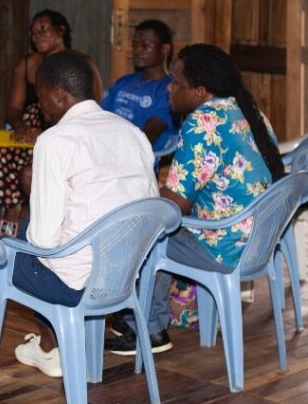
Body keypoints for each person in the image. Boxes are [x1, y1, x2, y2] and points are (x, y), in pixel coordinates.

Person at [106, 44, 285, 355]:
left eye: (176, 83)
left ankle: (148, 329)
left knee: (142, 229)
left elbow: (174, 207)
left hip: (225, 246)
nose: (168, 90)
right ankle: (136, 312)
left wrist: (134, 203)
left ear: (200, 91)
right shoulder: (246, 109)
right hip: (259, 239)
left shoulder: (204, 121)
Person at [12, 51, 157, 377]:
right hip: (121, 278)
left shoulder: (54, 140)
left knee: (15, 243)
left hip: (74, 283)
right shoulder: (133, 132)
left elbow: (45, 241)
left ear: (58, 94)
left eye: (39, 97)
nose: (39, 107)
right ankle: (53, 345)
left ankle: (52, 346)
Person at [0, 9, 103, 219]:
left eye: (43, 28)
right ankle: (9, 212)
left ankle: (40, 214)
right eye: (33, 32)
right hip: (29, 127)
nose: (37, 35)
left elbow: (94, 105)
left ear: (61, 30)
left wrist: (51, 130)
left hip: (67, 125)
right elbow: (13, 108)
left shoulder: (81, 62)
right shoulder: (27, 64)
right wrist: (21, 127)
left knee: (42, 159)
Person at [102, 19, 175, 151]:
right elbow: (100, 117)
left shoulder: (168, 90)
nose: (137, 50)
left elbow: (147, 136)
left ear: (165, 48)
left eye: (145, 45)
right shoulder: (124, 82)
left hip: (134, 158)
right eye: (134, 45)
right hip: (106, 150)